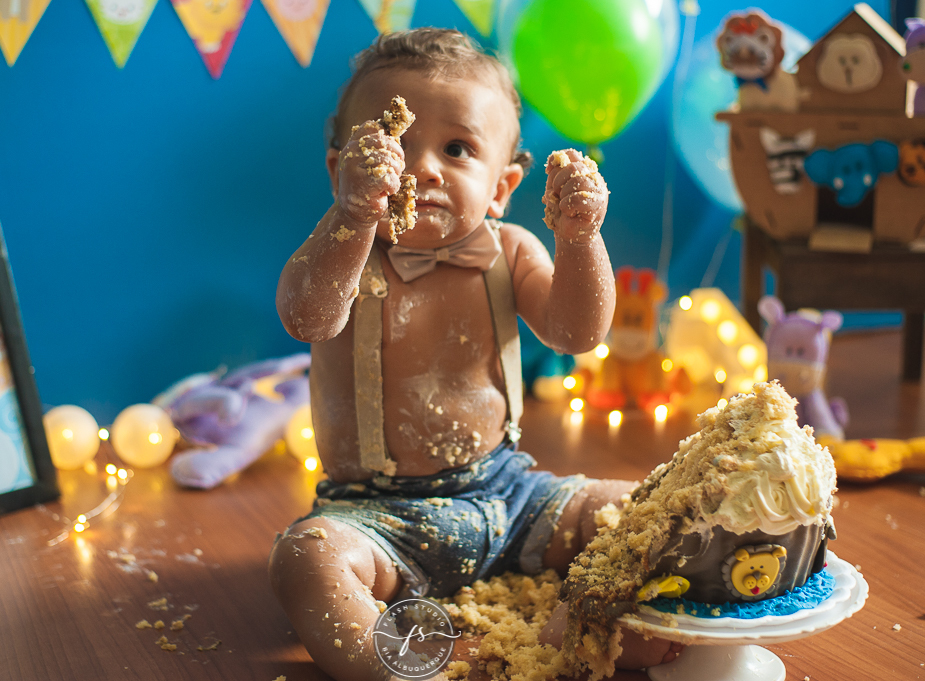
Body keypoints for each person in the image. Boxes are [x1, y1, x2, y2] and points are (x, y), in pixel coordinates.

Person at [269, 28, 679, 680]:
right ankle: (389, 661)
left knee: (641, 507)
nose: (423, 167)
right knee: (303, 557)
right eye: (394, 144)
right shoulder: (343, 255)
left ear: (502, 186)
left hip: (509, 494)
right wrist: (351, 217)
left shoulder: (510, 250)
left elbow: (577, 332)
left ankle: (602, 623)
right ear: (339, 164)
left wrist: (580, 239)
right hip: (376, 514)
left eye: (457, 148)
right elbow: (306, 315)